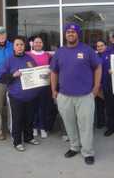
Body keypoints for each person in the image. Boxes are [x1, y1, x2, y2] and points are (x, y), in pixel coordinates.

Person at [50, 23, 101, 165]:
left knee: (86, 125)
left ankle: (88, 152)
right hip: (64, 96)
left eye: (73, 32)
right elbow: (53, 72)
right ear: (65, 34)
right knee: (69, 124)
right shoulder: (59, 52)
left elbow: (98, 67)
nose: (70, 34)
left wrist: (96, 87)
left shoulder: (87, 50)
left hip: (85, 96)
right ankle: (74, 146)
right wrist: (53, 90)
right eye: (68, 32)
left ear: (78, 34)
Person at [0, 35, 40, 151]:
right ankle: (17, 141)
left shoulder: (29, 59)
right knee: (17, 119)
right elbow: (2, 77)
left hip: (30, 96)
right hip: (16, 96)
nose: (20, 47)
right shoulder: (9, 60)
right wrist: (13, 75)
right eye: (17, 45)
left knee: (29, 118)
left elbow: (35, 73)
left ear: (24, 46)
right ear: (13, 47)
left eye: (21, 44)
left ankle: (28, 137)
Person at [26, 36, 57, 138]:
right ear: (32, 44)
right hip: (33, 86)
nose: (38, 44)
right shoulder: (28, 54)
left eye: (40, 42)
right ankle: (34, 127)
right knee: (33, 108)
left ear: (42, 44)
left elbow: (52, 67)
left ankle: (43, 127)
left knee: (43, 107)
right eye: (36, 42)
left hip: (45, 85)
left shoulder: (47, 55)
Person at [100, 33, 114, 136]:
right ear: (111, 39)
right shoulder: (107, 52)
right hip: (108, 85)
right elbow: (101, 69)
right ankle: (111, 127)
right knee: (109, 107)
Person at [94, 40, 106, 128]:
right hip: (98, 85)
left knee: (109, 106)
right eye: (98, 46)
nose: (100, 47)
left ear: (105, 46)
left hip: (108, 85)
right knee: (99, 106)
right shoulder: (94, 57)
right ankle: (101, 123)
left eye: (101, 45)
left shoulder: (110, 56)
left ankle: (110, 124)